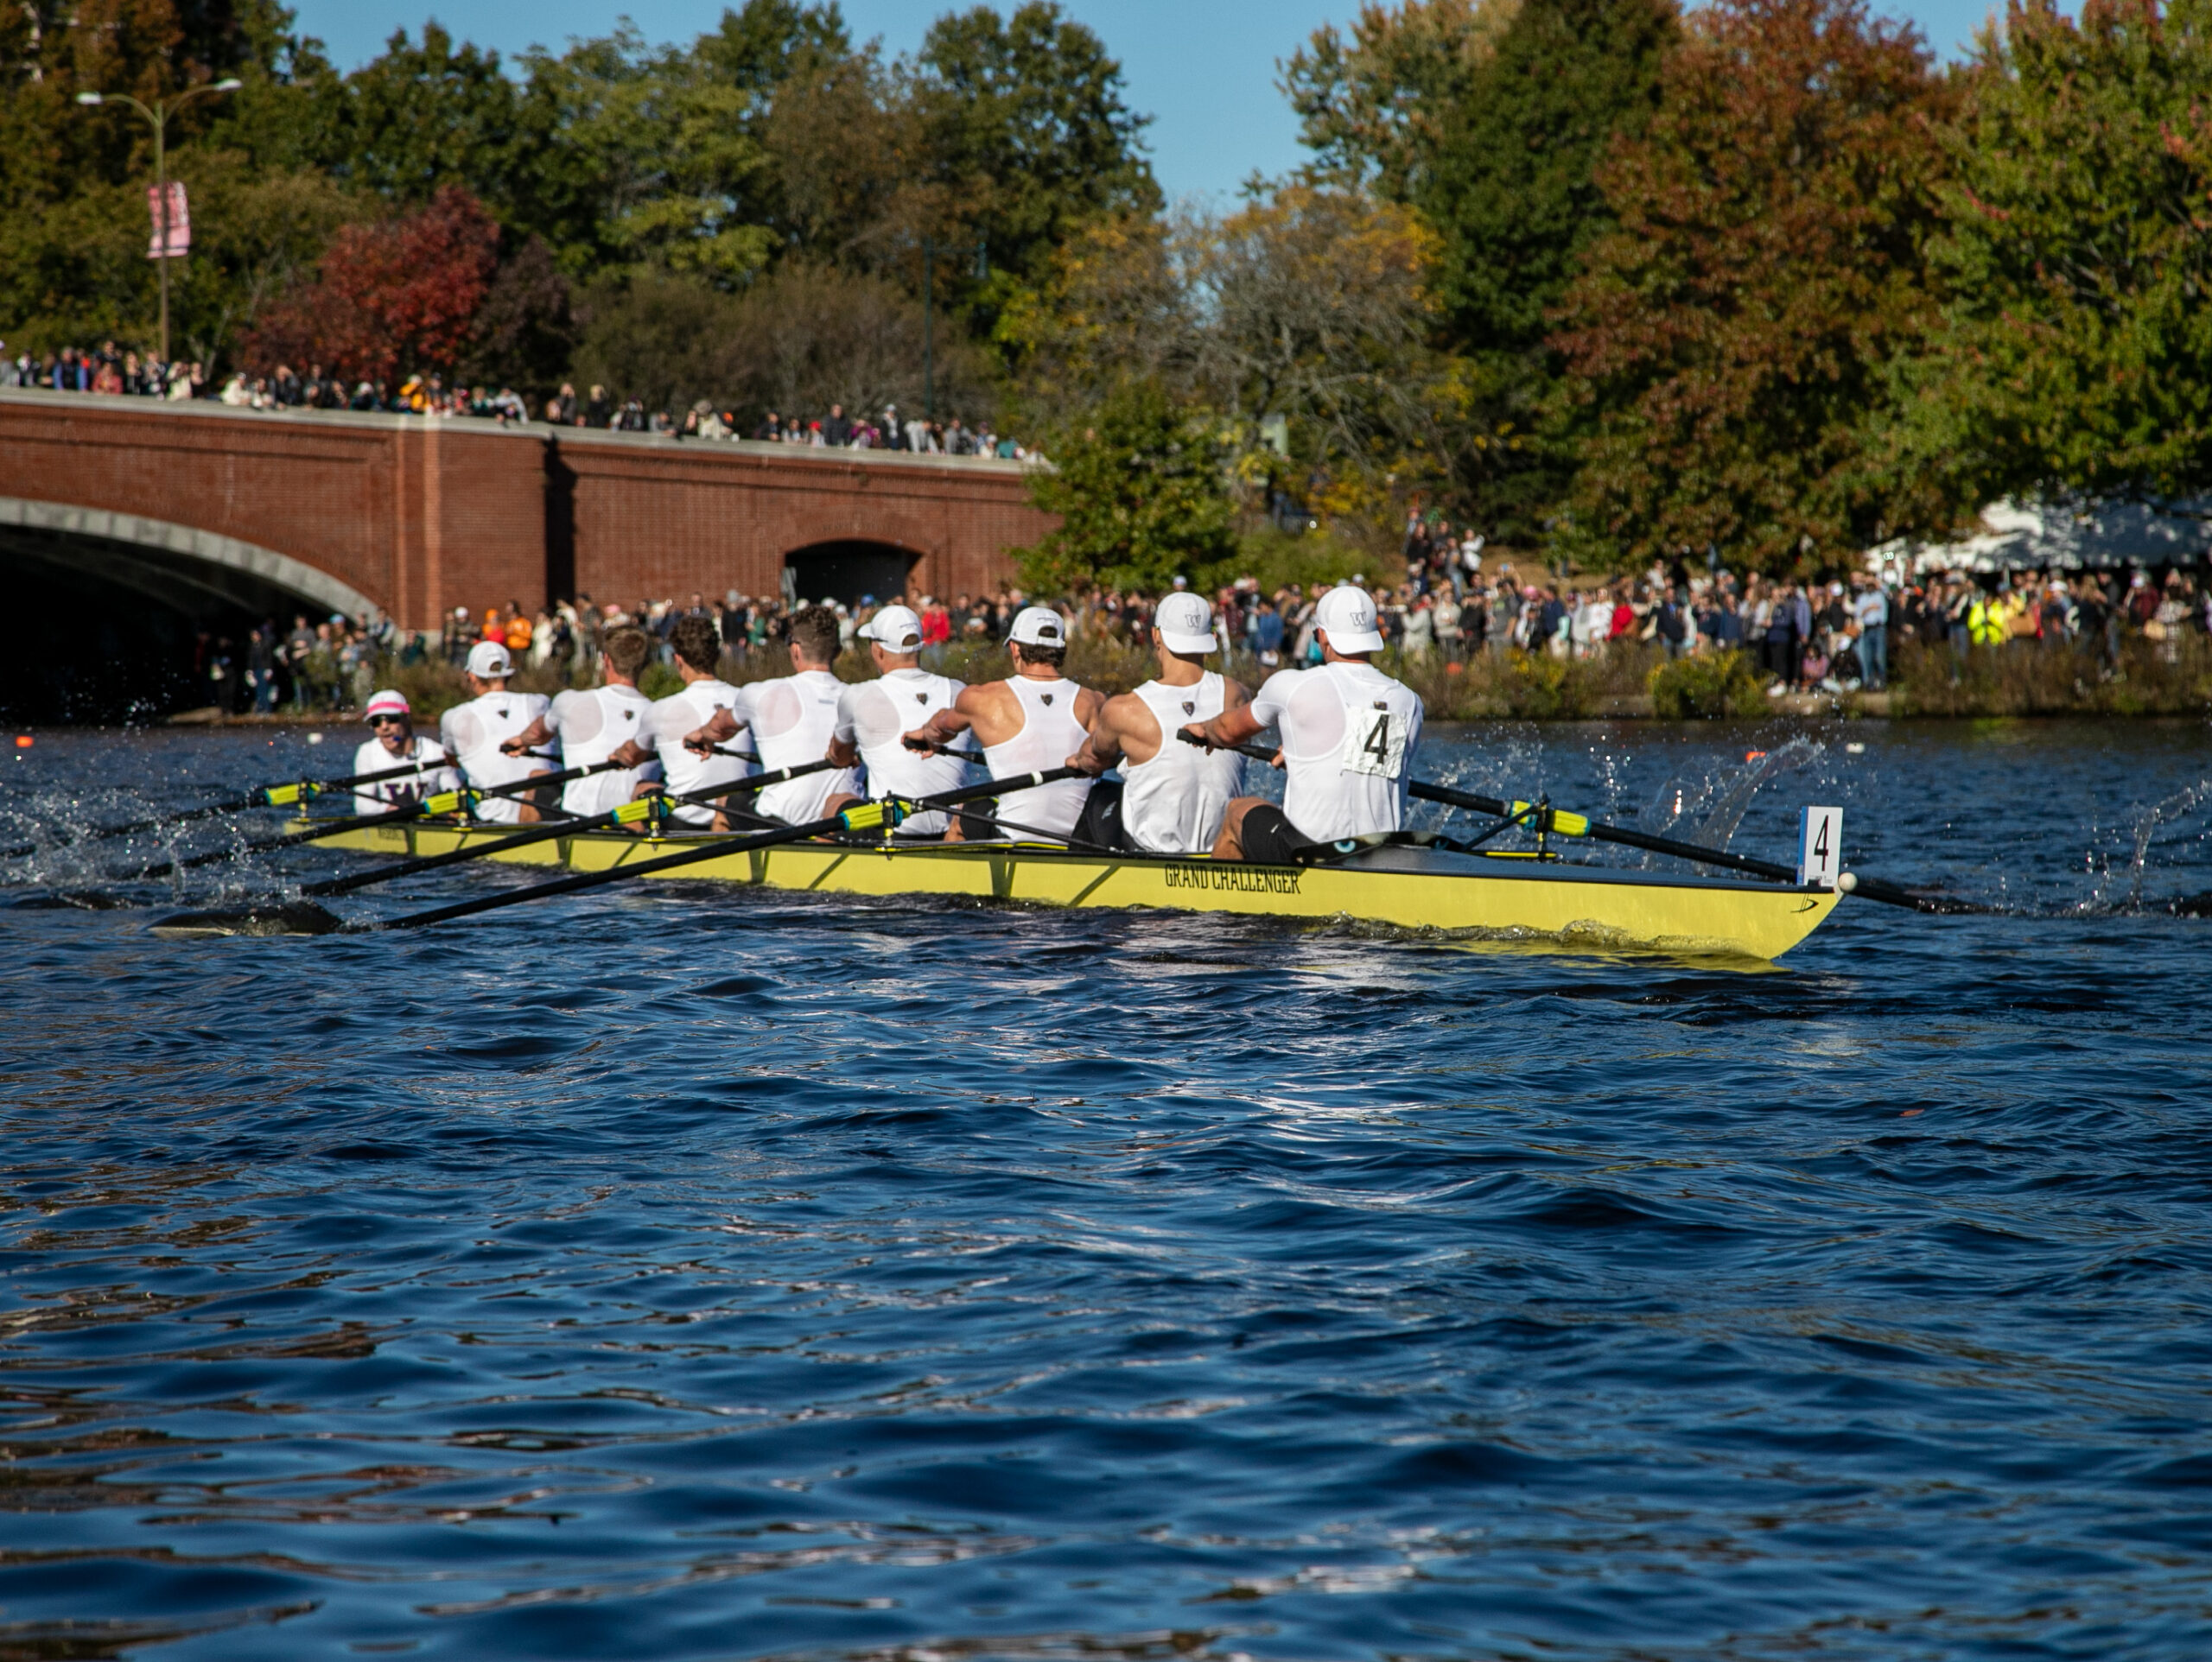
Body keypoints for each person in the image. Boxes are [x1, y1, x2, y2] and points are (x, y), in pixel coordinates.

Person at [1183, 585, 1425, 864]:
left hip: (1312, 852)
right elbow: (1367, 763)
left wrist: (1205, 729)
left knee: (1237, 811)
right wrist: (1306, 752)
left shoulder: (1295, 685)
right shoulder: (1409, 701)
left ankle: (1219, 907)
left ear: (1322, 636)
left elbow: (1228, 731)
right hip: (1382, 853)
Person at [1069, 593, 1249, 855]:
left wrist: (1080, 760)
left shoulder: (1125, 709)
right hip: (1220, 852)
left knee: (1102, 795)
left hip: (1151, 856)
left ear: (1156, 636)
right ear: (1209, 636)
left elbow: (1094, 759)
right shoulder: (1238, 694)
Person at [904, 606, 1101, 844]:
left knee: (966, 810)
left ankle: (945, 877)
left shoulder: (983, 698)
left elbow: (941, 727)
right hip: (1077, 839)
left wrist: (928, 736)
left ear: (1015, 648)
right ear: (1061, 650)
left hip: (1014, 835)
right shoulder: (1095, 701)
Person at [680, 604, 856, 826]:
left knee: (724, 800)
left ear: (795, 650)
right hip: (842, 822)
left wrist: (703, 735)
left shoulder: (763, 693)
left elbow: (720, 725)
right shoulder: (860, 698)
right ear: (838, 653)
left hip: (779, 825)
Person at [823, 604, 977, 837]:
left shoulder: (857, 696)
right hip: (951, 834)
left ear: (879, 650)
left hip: (892, 833)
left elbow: (839, 757)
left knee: (836, 801)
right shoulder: (959, 691)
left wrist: (842, 754)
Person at [500, 624, 659, 815]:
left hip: (579, 821)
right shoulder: (659, 713)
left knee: (537, 778)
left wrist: (521, 741)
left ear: (606, 660)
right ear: (644, 665)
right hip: (634, 821)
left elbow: (536, 734)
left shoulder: (571, 701)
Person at [627, 615, 750, 829]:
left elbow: (632, 756)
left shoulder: (660, 710)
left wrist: (619, 755)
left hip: (684, 822)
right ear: (718, 655)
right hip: (736, 817)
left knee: (640, 789)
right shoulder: (745, 699)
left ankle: (645, 854)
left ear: (678, 660)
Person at [439, 641, 553, 824]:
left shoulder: (455, 717)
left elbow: (451, 762)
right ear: (509, 675)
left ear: (472, 676)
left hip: (496, 822)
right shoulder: (540, 703)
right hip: (546, 815)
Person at [352, 690, 457, 814]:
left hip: (429, 823)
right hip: (388, 821)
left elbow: (455, 796)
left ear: (407, 717)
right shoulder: (368, 752)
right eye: (376, 721)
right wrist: (388, 810)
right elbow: (362, 805)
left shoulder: (436, 752)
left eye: (391, 719)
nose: (384, 727)